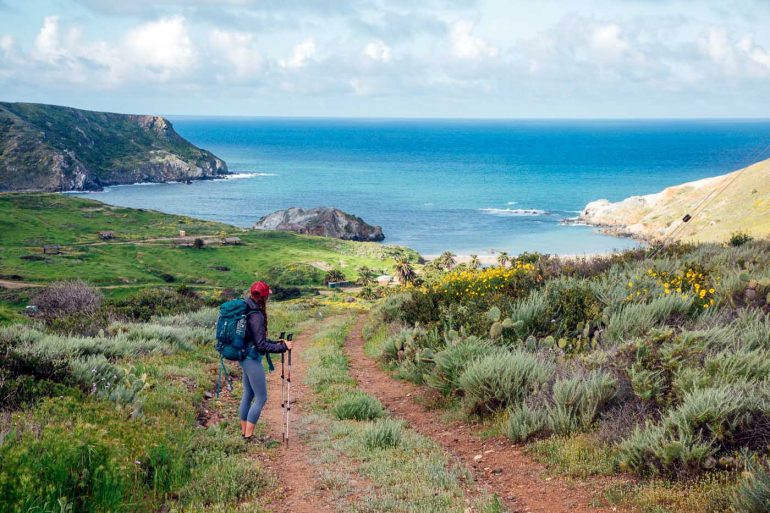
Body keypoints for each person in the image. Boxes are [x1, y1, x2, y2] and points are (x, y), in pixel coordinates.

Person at [240, 280, 293, 440]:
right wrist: (283, 347)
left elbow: (257, 340)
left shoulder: (247, 307)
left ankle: (244, 432)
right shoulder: (256, 315)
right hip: (251, 359)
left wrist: (278, 343)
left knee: (248, 394)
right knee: (261, 397)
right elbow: (261, 345)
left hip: (244, 356)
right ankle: (248, 437)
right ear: (263, 297)